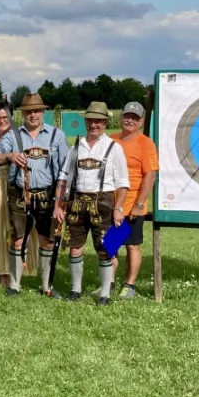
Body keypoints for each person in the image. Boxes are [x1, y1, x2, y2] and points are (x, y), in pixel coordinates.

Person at [0, 92, 69, 298]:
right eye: (29, 111)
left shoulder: (56, 135)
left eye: (37, 111)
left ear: (43, 112)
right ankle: (15, 285)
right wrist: (9, 156)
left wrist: (61, 201)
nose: (33, 114)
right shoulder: (13, 135)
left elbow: (65, 170)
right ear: (23, 114)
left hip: (48, 194)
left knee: (48, 240)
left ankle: (46, 287)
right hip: (19, 194)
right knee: (17, 239)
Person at [54, 102, 130, 305]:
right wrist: (58, 205)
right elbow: (63, 178)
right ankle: (75, 290)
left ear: (105, 122)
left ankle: (105, 293)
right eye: (90, 120)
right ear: (85, 121)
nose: (94, 124)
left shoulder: (115, 148)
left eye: (98, 121)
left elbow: (123, 183)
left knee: (107, 249)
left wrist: (118, 208)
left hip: (104, 202)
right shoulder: (76, 147)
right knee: (74, 247)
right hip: (77, 201)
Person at [0, 101, 41, 286]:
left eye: (5, 117)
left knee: (18, 230)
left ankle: (122, 282)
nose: (2, 120)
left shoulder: (22, 136)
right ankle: (3, 273)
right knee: (0, 229)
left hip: (17, 187)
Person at [110, 101, 158, 300]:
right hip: (111, 204)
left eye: (135, 118)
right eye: (127, 116)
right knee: (110, 246)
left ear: (141, 121)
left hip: (132, 205)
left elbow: (150, 175)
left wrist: (139, 204)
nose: (130, 120)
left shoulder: (146, 143)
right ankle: (108, 284)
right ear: (121, 117)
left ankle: (129, 286)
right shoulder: (111, 140)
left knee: (132, 245)